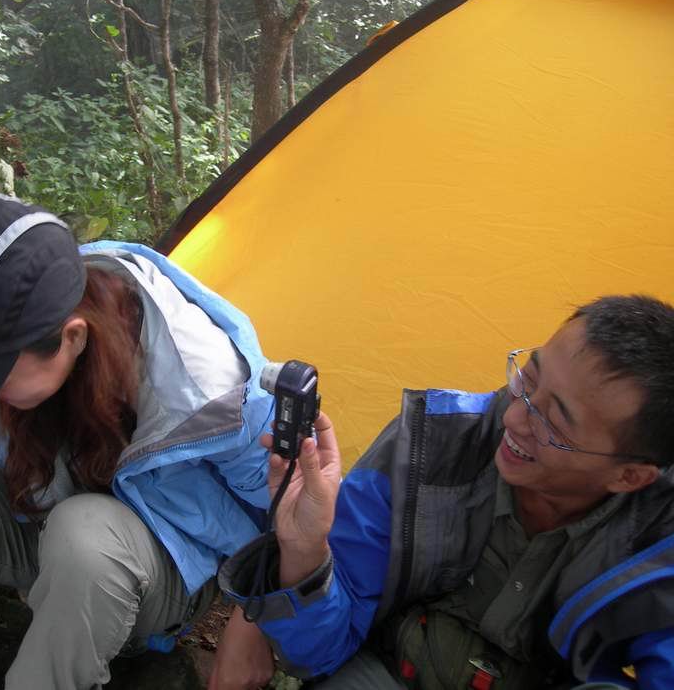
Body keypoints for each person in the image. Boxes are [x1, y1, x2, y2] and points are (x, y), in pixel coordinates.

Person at [0, 195, 275, 690]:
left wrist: (254, 619)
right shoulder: (9, 306)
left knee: (83, 533)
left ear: (72, 337)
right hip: (40, 523)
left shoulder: (213, 393)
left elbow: (286, 513)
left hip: (152, 572)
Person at [215, 295, 674, 689]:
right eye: (528, 380)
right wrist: (303, 553)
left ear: (629, 477)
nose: (514, 418)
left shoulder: (660, 552)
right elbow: (321, 652)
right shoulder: (425, 452)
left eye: (554, 423)